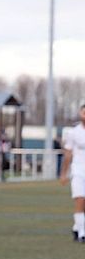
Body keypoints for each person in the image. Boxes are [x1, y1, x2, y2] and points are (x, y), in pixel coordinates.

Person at [60, 104, 85, 242]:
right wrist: (64, 173)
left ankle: (77, 227)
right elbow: (68, 154)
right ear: (80, 114)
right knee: (80, 199)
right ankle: (82, 233)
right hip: (78, 170)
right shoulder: (73, 133)